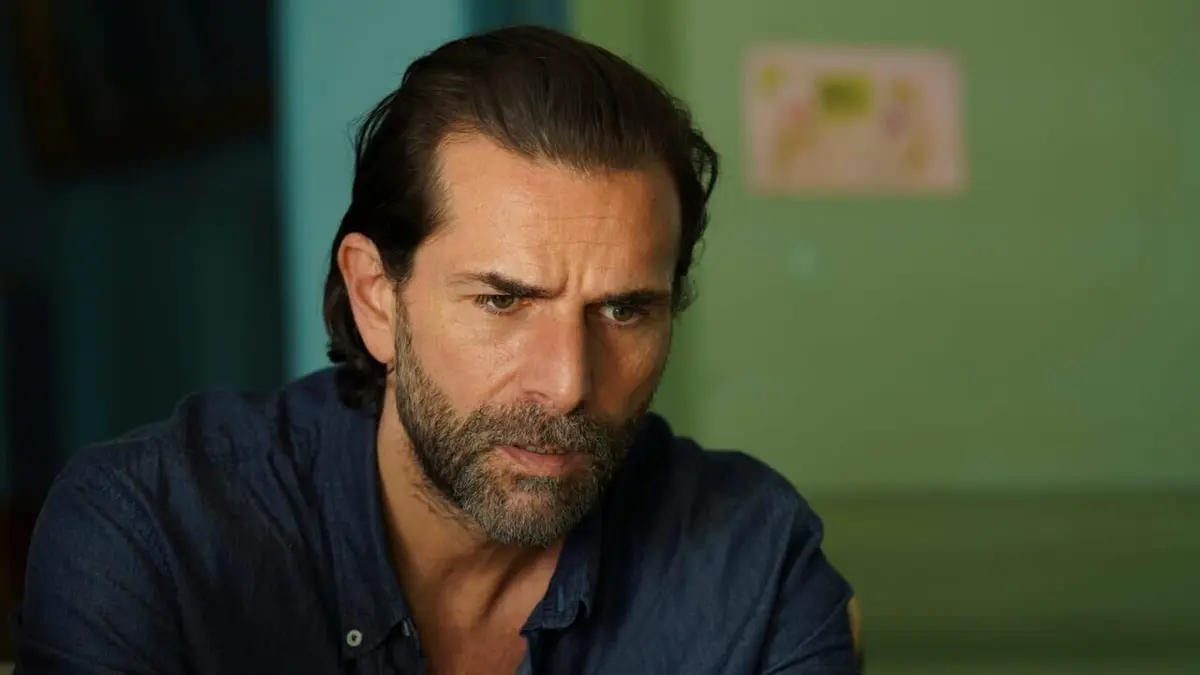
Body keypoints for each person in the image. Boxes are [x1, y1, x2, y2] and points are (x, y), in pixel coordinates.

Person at [13, 26, 861, 674]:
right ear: (376, 298)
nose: (569, 382)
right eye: (503, 300)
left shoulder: (750, 564)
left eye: (623, 310)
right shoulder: (152, 540)